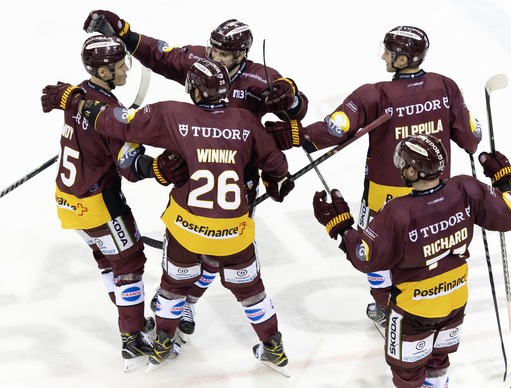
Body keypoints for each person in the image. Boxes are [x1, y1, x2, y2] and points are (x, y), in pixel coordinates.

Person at [41, 58, 295, 375]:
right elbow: (278, 168)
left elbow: (115, 123)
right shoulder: (246, 121)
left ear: (196, 92)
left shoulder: (173, 115)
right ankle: (273, 348)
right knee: (251, 291)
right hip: (233, 231)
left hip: (186, 229)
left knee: (173, 287)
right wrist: (279, 178)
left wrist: (76, 102)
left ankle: (162, 345)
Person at [82, 10, 309, 338]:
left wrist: (292, 98)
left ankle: (184, 301)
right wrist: (124, 32)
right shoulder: (201, 63)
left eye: (222, 53)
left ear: (242, 55)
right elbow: (160, 56)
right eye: (212, 49)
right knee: (194, 244)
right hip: (194, 166)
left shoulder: (263, 79)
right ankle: (182, 296)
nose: (214, 57)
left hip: (238, 174)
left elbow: (295, 115)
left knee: (217, 254)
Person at [303, 26, 483, 334]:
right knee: (432, 244)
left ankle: (385, 306)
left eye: (388, 52)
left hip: (384, 194)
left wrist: (298, 136)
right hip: (437, 193)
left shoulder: (375, 94)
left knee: (376, 249)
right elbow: (471, 136)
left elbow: (334, 130)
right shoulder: (445, 87)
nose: (384, 56)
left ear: (401, 58)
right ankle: (429, 303)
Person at [311, 134, 511, 388]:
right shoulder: (465, 188)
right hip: (454, 301)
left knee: (408, 376)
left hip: (413, 312)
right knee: (437, 361)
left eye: (404, 162)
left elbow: (364, 257)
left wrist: (341, 227)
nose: (400, 166)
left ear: (413, 171)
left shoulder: (398, 212)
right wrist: (505, 181)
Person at [40, 35, 189, 372]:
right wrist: (158, 168)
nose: (125, 70)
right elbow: (130, 167)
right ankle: (132, 338)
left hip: (68, 201)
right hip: (98, 205)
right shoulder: (104, 112)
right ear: (104, 70)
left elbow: (89, 132)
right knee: (129, 264)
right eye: (120, 66)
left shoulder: (77, 96)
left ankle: (130, 320)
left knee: (108, 262)